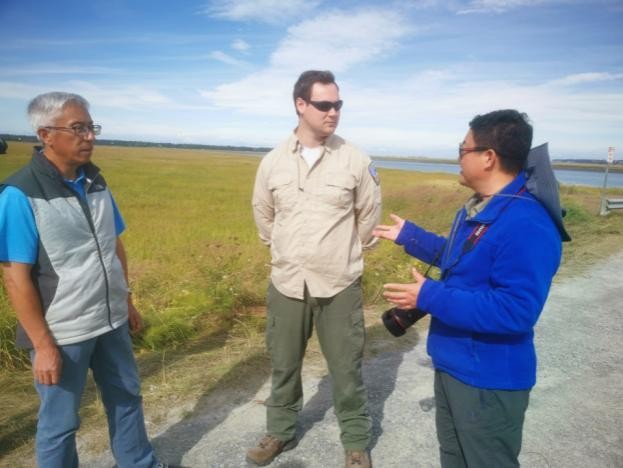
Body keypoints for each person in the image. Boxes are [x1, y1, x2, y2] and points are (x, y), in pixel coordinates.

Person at [373, 110, 565, 467]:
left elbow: (515, 311)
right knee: (454, 458)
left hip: (488, 378)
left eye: (463, 149)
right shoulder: (480, 208)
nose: (458, 158)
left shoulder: (527, 223)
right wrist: (410, 236)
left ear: (488, 157)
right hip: (453, 363)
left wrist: (428, 296)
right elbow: (461, 257)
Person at [0, 92, 176, 468]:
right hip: (63, 332)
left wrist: (126, 299)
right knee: (60, 423)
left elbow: (114, 243)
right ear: (46, 134)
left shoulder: (96, 181)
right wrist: (43, 345)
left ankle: (139, 463)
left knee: (127, 397)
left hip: (110, 321)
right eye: (78, 128)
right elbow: (15, 279)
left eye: (91, 127)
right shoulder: (20, 194)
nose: (90, 136)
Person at [249, 70, 382, 468]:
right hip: (287, 282)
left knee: (346, 368)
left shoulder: (356, 160)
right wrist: (289, 252)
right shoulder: (273, 162)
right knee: (284, 364)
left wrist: (339, 254)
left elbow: (368, 218)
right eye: (324, 105)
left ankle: (355, 441)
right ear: (300, 105)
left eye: (338, 104)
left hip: (339, 283)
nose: (333, 112)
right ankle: (279, 432)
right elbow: (264, 217)